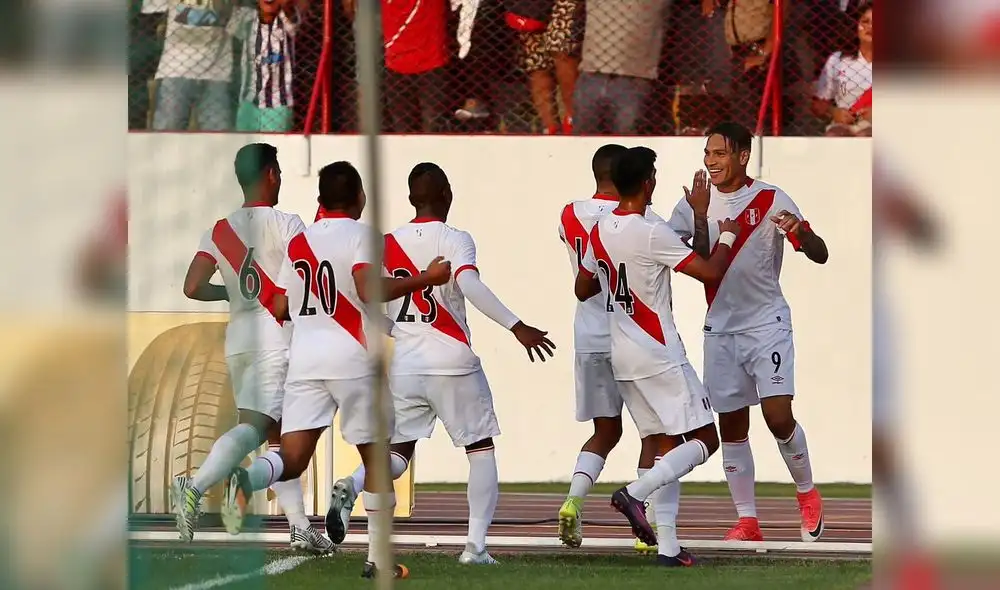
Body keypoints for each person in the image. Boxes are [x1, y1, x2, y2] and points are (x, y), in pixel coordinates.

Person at [217, 161, 452, 578]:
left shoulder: (302, 241)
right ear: (360, 197)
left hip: (305, 360)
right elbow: (368, 288)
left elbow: (282, 305)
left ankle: (243, 481)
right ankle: (377, 561)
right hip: (352, 360)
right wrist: (425, 278)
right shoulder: (364, 236)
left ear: (321, 198)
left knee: (291, 455)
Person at [324, 162, 556, 568]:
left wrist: (393, 331)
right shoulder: (455, 239)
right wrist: (516, 327)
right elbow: (467, 283)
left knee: (397, 451)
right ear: (447, 194)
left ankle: (353, 483)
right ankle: (475, 547)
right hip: (452, 362)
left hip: (407, 365)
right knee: (480, 450)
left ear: (412, 198)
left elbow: (365, 298)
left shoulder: (386, 242)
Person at [575, 146, 740, 566]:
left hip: (622, 356)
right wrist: (727, 233)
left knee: (667, 447)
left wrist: (621, 277)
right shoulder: (650, 231)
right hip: (659, 353)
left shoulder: (601, 228)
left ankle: (667, 547)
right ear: (647, 181)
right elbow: (710, 270)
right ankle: (634, 494)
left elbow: (583, 287)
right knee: (706, 439)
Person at [666, 122, 829, 543]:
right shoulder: (692, 203)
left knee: (778, 417)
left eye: (719, 153)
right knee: (732, 427)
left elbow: (820, 253)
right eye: (707, 153)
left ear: (742, 156)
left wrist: (801, 232)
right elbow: (695, 259)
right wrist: (700, 216)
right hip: (720, 328)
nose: (710, 161)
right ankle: (747, 520)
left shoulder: (771, 198)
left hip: (766, 323)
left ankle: (807, 493)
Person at [175, 143, 332, 552]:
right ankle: (195, 486)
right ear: (272, 175)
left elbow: (192, 287)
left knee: (280, 436)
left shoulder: (219, 230)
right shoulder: (287, 224)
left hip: (239, 341)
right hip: (275, 341)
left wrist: (231, 295)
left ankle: (299, 529)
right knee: (257, 428)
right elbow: (305, 277)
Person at [554, 143, 659, 552]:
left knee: (605, 431)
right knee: (654, 431)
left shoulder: (570, 212)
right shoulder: (638, 215)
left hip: (589, 337)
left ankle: (573, 500)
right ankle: (644, 526)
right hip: (631, 335)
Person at [812, 1, 873, 137]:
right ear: (856, 26)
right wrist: (834, 112)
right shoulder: (838, 60)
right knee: (834, 135)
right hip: (843, 124)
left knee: (866, 135)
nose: (870, 27)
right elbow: (817, 105)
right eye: (865, 21)